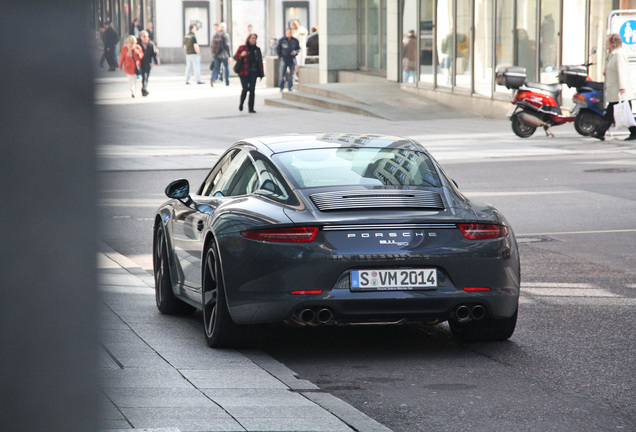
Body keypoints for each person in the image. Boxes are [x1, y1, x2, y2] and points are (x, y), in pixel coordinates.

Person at [593, 33, 636, 141]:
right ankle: (600, 132)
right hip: (615, 90)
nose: (606, 44)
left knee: (615, 112)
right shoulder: (612, 54)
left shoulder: (618, 54)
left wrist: (622, 88)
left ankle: (600, 132)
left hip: (619, 90)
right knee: (620, 112)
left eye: (607, 42)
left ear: (613, 43)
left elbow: (622, 71)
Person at [234, 33, 264, 113]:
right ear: (248, 39)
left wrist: (261, 74)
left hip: (253, 72)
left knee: (252, 90)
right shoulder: (242, 48)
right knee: (245, 88)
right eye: (252, 38)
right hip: (243, 71)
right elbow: (235, 57)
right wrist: (241, 55)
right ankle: (241, 103)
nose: (254, 40)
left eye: (255, 38)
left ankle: (251, 108)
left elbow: (260, 62)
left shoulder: (257, 50)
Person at [276, 27, 300, 92]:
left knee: (292, 74)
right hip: (284, 59)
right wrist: (280, 56)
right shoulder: (282, 40)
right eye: (288, 33)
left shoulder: (295, 40)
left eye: (291, 33)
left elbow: (298, 49)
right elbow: (278, 49)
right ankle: (281, 87)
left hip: (292, 59)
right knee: (282, 74)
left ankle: (290, 87)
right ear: (286, 33)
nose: (290, 34)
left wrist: (295, 52)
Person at [137, 30, 159, 97]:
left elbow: (154, 54)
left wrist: (156, 62)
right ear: (141, 37)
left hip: (149, 64)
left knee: (147, 77)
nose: (146, 38)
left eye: (147, 36)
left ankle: (144, 89)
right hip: (141, 63)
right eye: (144, 36)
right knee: (144, 76)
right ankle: (144, 89)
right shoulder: (138, 45)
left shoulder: (151, 44)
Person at [211, 22, 231, 86]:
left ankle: (213, 79)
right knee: (226, 67)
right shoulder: (225, 35)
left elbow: (212, 45)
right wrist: (230, 56)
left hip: (216, 54)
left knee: (216, 67)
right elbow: (227, 46)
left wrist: (214, 54)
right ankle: (227, 81)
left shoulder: (215, 35)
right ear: (224, 28)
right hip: (224, 54)